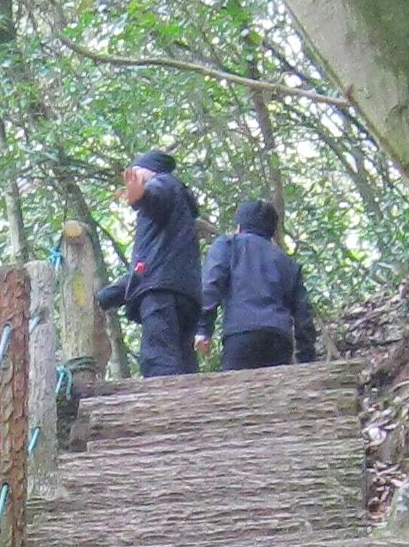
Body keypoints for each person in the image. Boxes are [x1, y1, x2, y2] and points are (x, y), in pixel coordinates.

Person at [96, 151, 204, 378]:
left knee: (159, 358)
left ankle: (164, 408)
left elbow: (156, 197)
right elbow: (144, 271)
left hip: (160, 295)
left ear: (150, 171)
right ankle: (189, 407)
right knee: (184, 360)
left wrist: (142, 197)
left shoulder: (163, 184)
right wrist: (104, 298)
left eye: (137, 171)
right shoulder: (179, 218)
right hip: (186, 295)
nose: (132, 176)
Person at [198, 196, 316, 371]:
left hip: (241, 335)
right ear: (271, 231)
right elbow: (303, 312)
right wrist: (306, 357)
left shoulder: (228, 245)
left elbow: (211, 285)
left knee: (236, 394)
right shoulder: (287, 262)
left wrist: (203, 329)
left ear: (239, 227)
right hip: (279, 339)